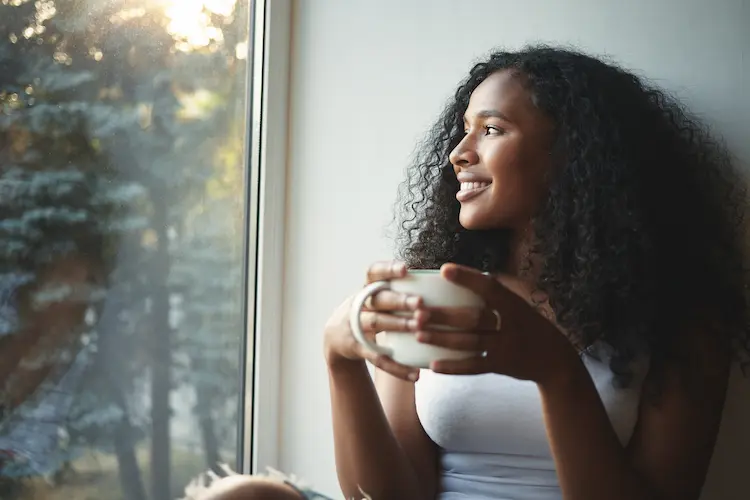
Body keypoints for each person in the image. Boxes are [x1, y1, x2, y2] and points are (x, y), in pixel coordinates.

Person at [190, 45, 748, 500]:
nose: (458, 153)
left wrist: (556, 370)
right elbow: (387, 497)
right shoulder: (440, 291)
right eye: (464, 129)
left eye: (493, 129)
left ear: (572, 156)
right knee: (241, 496)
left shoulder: (683, 321)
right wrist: (341, 362)